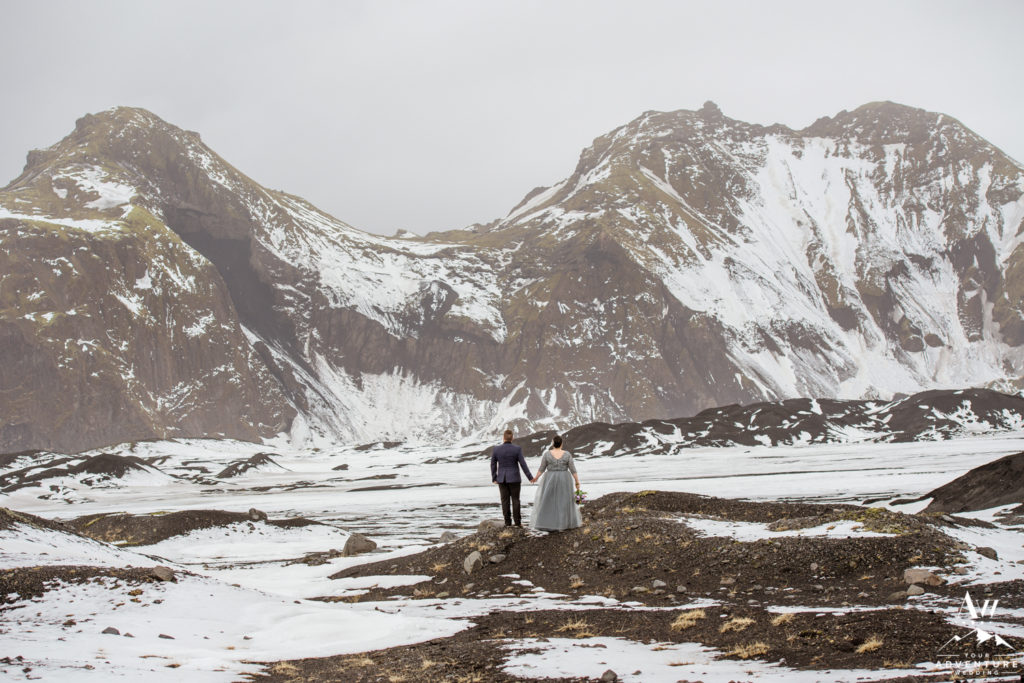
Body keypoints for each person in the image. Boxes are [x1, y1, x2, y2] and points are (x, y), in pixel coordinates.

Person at [529, 434, 582, 532]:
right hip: (564, 479)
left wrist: (536, 477)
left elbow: (542, 468)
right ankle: (564, 523)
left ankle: (547, 523)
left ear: (553, 444)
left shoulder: (547, 454)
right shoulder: (567, 454)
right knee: (564, 501)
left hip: (550, 478)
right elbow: (573, 470)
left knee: (548, 501)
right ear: (561, 444)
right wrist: (577, 482)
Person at [490, 429, 533, 527]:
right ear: (512, 438)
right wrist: (530, 477)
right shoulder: (517, 449)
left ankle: (507, 523)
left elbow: (492, 464)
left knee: (505, 501)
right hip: (514, 479)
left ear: (503, 438)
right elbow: (523, 464)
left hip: (502, 479)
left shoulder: (496, 449)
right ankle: (517, 523)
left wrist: (494, 477)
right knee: (516, 500)